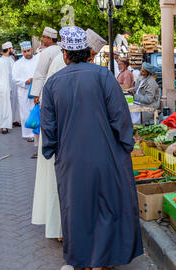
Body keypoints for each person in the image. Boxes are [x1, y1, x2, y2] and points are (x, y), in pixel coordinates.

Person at [40, 26, 143, 270]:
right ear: (88, 52)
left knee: (78, 208)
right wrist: (126, 143)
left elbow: (48, 127)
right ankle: (99, 268)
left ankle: (86, 261)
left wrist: (51, 149)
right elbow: (120, 116)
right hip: (105, 155)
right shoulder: (103, 76)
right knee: (105, 207)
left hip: (70, 160)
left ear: (65, 54)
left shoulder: (53, 83)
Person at [32, 28, 108, 242]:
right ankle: (62, 230)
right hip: (61, 136)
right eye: (91, 54)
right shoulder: (62, 63)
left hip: (62, 135)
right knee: (61, 184)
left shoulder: (72, 63)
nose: (91, 59)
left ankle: (64, 228)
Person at [30, 27, 60, 159]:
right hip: (62, 92)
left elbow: (40, 74)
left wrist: (36, 94)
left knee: (46, 122)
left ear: (49, 39)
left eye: (43, 37)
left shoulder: (46, 53)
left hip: (47, 92)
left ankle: (45, 148)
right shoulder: (62, 50)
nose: (42, 39)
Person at [12, 41, 38, 141]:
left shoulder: (38, 60)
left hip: (37, 90)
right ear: (22, 52)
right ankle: (28, 134)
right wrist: (26, 81)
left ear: (31, 50)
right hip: (24, 91)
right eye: (24, 51)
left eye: (28, 50)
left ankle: (37, 133)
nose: (27, 53)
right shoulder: (18, 64)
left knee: (36, 111)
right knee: (25, 113)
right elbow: (14, 78)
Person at [0, 44, 12, 134]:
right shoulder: (2, 61)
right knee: (4, 107)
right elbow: (8, 74)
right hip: (3, 87)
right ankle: (4, 127)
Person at [1, 41, 20, 127]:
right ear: (8, 49)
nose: (12, 49)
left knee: (15, 102)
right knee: (8, 103)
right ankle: (8, 121)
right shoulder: (2, 60)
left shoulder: (11, 58)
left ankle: (15, 120)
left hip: (14, 84)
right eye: (11, 48)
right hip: (7, 85)